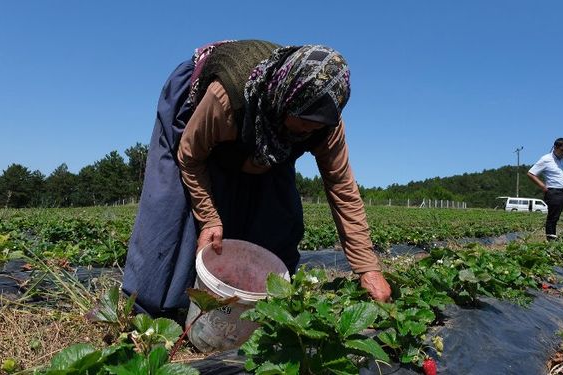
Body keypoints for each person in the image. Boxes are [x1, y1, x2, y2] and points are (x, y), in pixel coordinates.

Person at [123, 40, 391, 316]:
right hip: (200, 115)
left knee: (280, 220)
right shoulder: (227, 97)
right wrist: (209, 218)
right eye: (303, 121)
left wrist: (367, 268)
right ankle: (153, 312)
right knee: (173, 209)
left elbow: (341, 187)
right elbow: (191, 157)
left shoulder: (325, 121)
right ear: (286, 98)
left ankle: (260, 308)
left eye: (316, 127)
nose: (307, 132)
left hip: (267, 139)